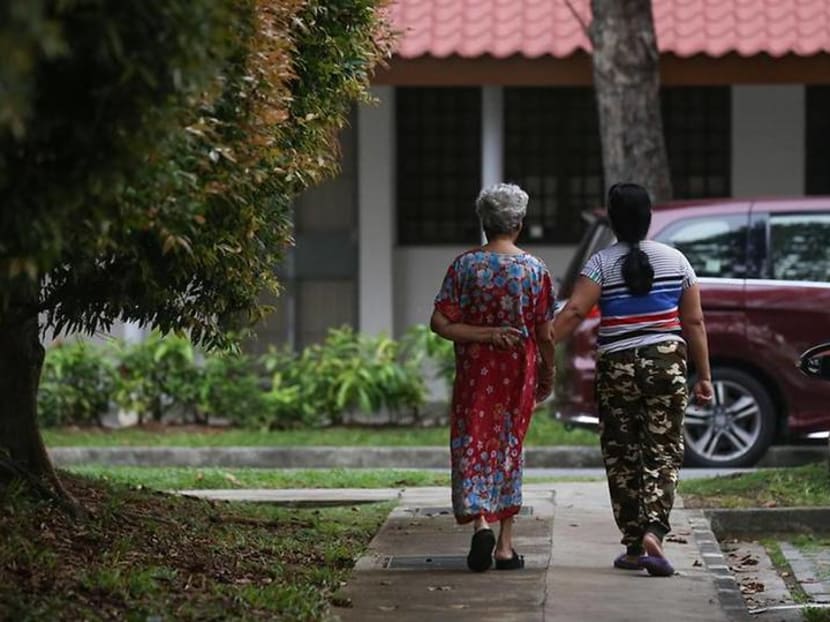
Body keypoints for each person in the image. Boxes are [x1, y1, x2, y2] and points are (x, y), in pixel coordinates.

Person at [554, 182, 713, 577]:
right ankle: (654, 530)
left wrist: (541, 343)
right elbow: (694, 321)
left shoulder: (600, 264)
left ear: (611, 220)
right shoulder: (676, 261)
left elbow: (574, 312)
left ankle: (632, 544)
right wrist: (704, 376)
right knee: (664, 449)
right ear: (648, 217)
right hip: (666, 364)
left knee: (622, 454)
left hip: (618, 366)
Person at [430, 183, 556, 572]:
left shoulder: (465, 266)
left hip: (475, 374)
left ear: (485, 223)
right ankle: (505, 546)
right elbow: (545, 333)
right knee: (508, 447)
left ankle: (480, 523)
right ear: (518, 224)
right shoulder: (534, 270)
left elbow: (440, 322)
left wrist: (482, 334)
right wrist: (549, 372)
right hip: (517, 373)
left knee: (474, 440)